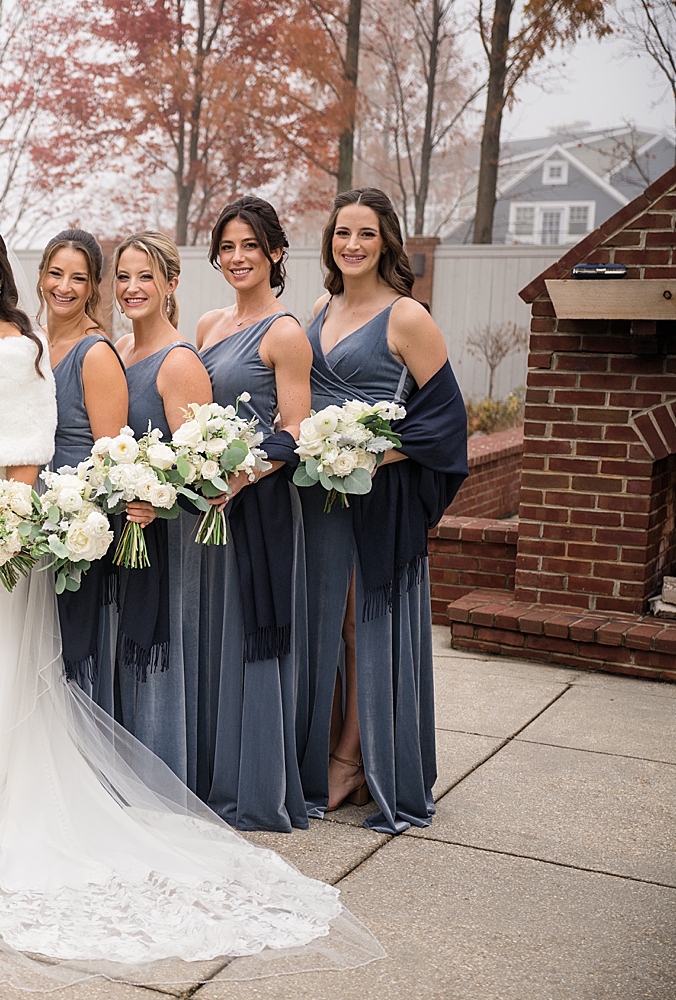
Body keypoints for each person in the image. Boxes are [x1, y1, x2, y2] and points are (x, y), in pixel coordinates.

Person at [0, 221, 383, 990]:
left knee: (5, 652)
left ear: (4, 277)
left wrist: (1, 515)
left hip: (4, 519)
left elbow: (36, 439)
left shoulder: (26, 346)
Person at [299, 187, 467, 832]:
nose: (352, 245)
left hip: (378, 498)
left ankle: (352, 757)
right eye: (343, 233)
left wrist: (377, 454)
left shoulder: (407, 318)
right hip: (319, 494)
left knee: (360, 623)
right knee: (328, 624)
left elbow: (448, 420)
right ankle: (336, 743)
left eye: (365, 234)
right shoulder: (319, 307)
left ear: (386, 241)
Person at [193, 196, 314, 833]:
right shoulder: (210, 324)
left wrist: (237, 476)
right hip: (206, 504)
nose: (238, 258)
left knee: (249, 633)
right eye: (228, 248)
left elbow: (295, 429)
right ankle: (211, 771)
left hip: (259, 503)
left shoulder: (285, 332)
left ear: (274, 253)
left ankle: (256, 786)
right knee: (212, 632)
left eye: (250, 246)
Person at [110, 231, 213, 786]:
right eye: (123, 277)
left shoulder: (178, 362)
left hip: (165, 534)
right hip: (121, 531)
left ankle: (160, 781)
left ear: (171, 284)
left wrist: (155, 494)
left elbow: (199, 465)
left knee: (154, 652)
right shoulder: (119, 351)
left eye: (145, 276)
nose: (132, 288)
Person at [37, 229, 127, 715]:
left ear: (94, 286)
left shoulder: (94, 353)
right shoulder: (32, 344)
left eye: (78, 277)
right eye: (55, 274)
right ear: (41, 277)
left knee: (74, 644)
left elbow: (109, 457)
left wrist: (79, 517)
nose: (64, 287)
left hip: (74, 518)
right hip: (31, 514)